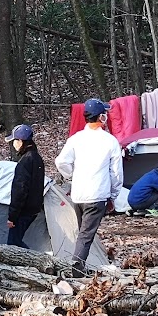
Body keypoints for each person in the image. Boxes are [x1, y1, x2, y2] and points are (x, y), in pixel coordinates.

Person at [54, 97, 123, 270]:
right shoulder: (110, 141)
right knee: (86, 235)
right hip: (97, 195)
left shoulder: (76, 139)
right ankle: (76, 269)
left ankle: (81, 263)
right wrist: (113, 195)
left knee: (83, 234)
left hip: (78, 194)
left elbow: (61, 161)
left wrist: (71, 176)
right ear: (101, 117)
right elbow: (116, 173)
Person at [6, 124, 45, 246]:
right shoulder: (37, 158)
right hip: (33, 209)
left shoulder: (25, 161)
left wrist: (12, 216)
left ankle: (39, 262)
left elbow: (19, 190)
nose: (13, 144)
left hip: (23, 211)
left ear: (20, 141)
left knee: (13, 245)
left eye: (14, 141)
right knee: (15, 242)